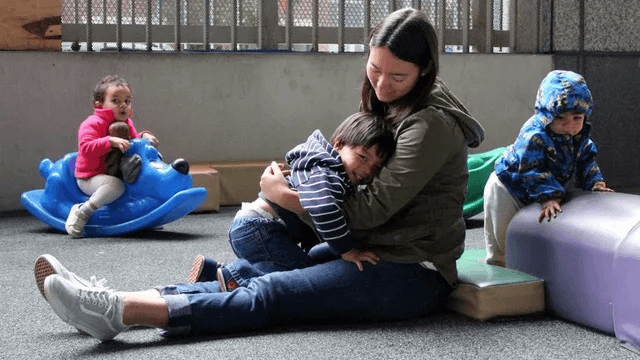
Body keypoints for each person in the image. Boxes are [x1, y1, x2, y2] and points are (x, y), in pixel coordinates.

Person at [35, 8, 484, 342]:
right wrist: (296, 183)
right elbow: (342, 169)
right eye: (373, 69)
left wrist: (282, 195)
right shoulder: (396, 103)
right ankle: (113, 301)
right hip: (368, 250)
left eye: (398, 77)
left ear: (425, 71)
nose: (381, 87)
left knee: (271, 293)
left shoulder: (430, 125)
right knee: (264, 278)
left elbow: (367, 210)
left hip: (411, 272)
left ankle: (121, 312)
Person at [188, 112, 395, 291]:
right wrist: (348, 251)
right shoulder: (328, 173)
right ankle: (230, 277)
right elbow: (324, 211)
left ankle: (212, 271)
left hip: (255, 226)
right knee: (300, 276)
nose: (367, 170)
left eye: (375, 168)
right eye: (363, 157)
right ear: (338, 144)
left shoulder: (326, 167)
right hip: (261, 228)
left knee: (301, 266)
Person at [482, 70, 613, 267]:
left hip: (536, 189)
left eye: (577, 117)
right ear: (547, 115)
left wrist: (595, 183)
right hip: (507, 188)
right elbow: (530, 168)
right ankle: (497, 276)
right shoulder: (534, 135)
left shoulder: (579, 137)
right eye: (561, 118)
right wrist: (549, 196)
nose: (571, 125)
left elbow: (587, 160)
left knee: (531, 238)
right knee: (503, 240)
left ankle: (528, 273)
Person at [65, 75, 159, 238]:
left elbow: (133, 140)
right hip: (90, 176)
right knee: (117, 187)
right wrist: (109, 141)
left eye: (127, 101)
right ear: (99, 104)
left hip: (114, 172)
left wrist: (144, 137)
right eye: (115, 101)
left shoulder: (126, 123)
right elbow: (86, 148)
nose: (123, 105)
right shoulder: (92, 123)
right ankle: (82, 211)